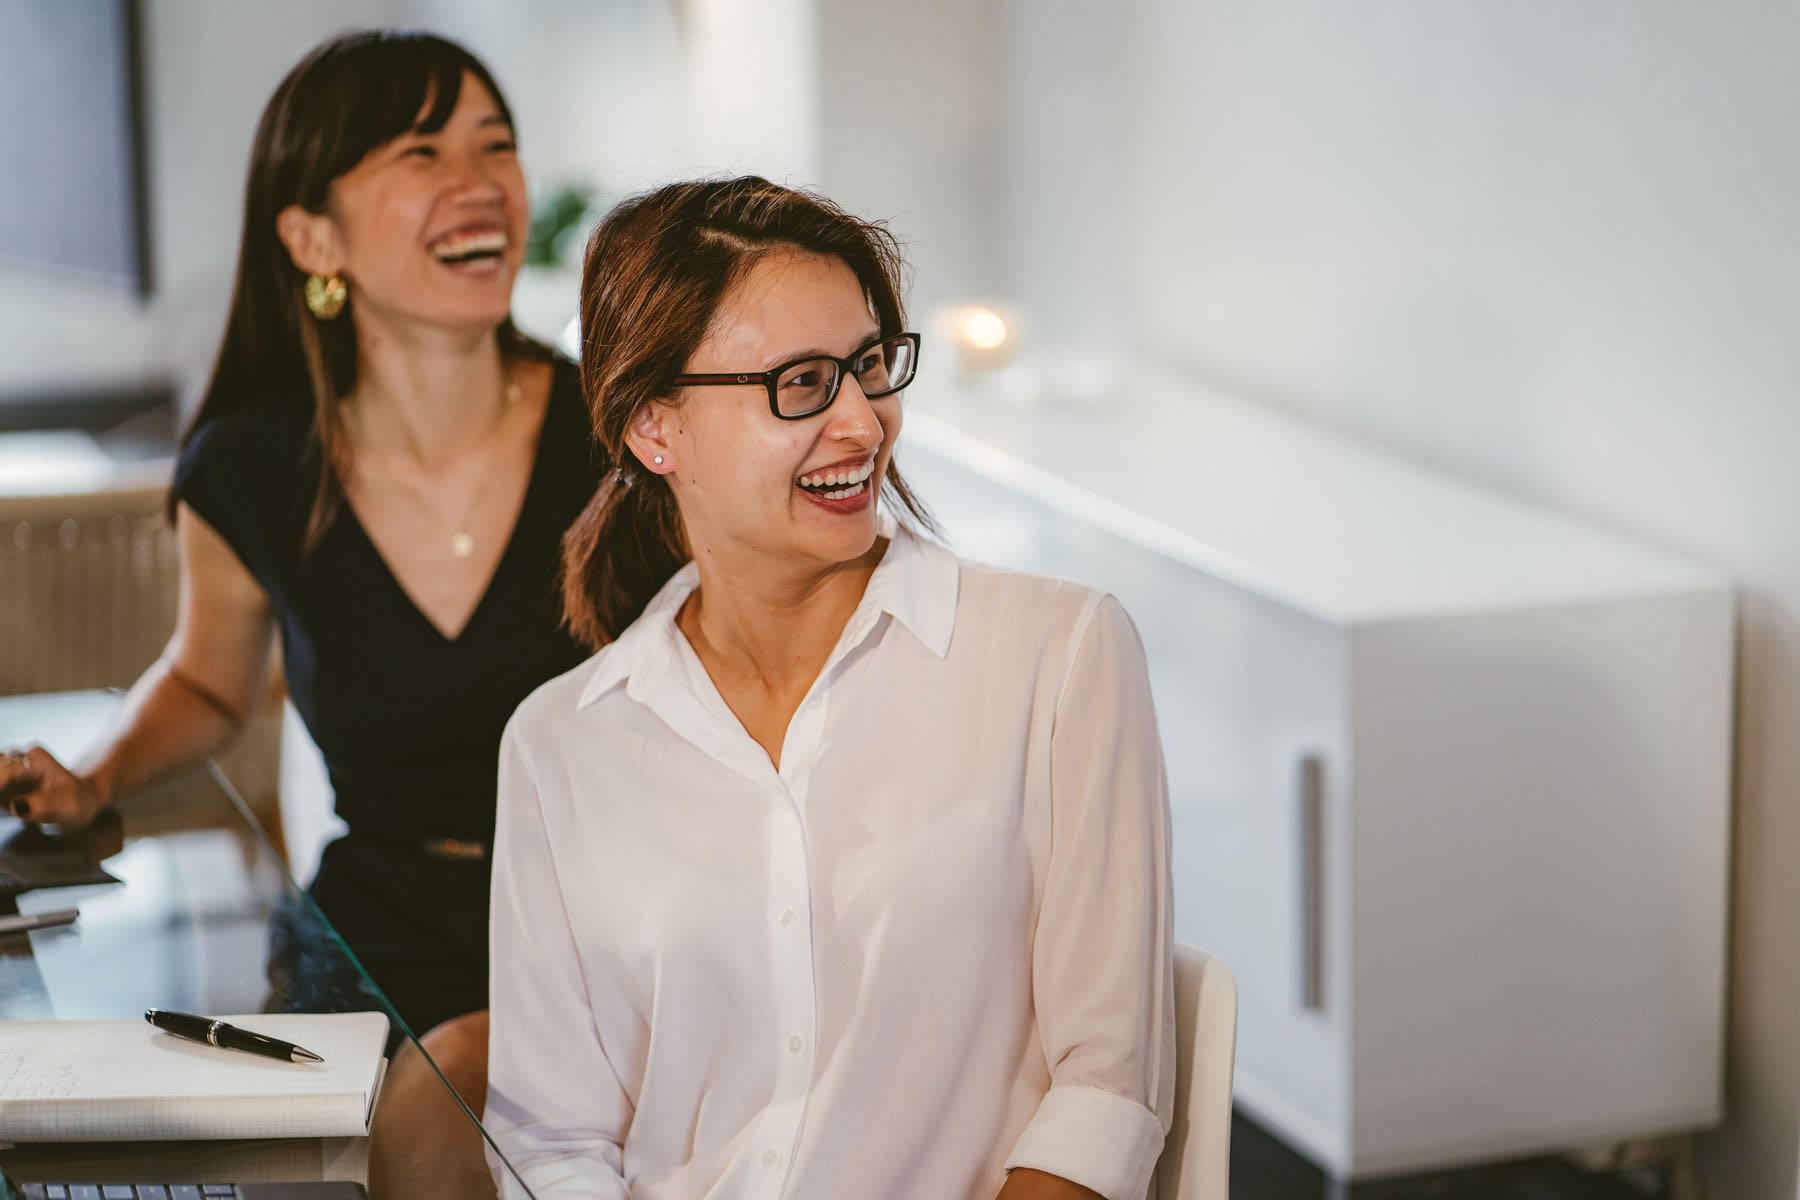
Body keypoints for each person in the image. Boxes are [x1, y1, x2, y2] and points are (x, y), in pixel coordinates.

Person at [486, 176, 1176, 1200]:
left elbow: (1106, 1091)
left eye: (867, 366)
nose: (862, 422)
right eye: (801, 383)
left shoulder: (1059, 656)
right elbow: (552, 1142)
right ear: (652, 428)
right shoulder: (560, 744)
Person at [0, 28, 602, 1166]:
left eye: (497, 145)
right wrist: (98, 775)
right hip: (378, 924)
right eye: (420, 154)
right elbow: (205, 680)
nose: (480, 183)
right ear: (310, 234)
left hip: (606, 917)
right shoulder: (250, 468)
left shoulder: (623, 438)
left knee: (449, 1095)